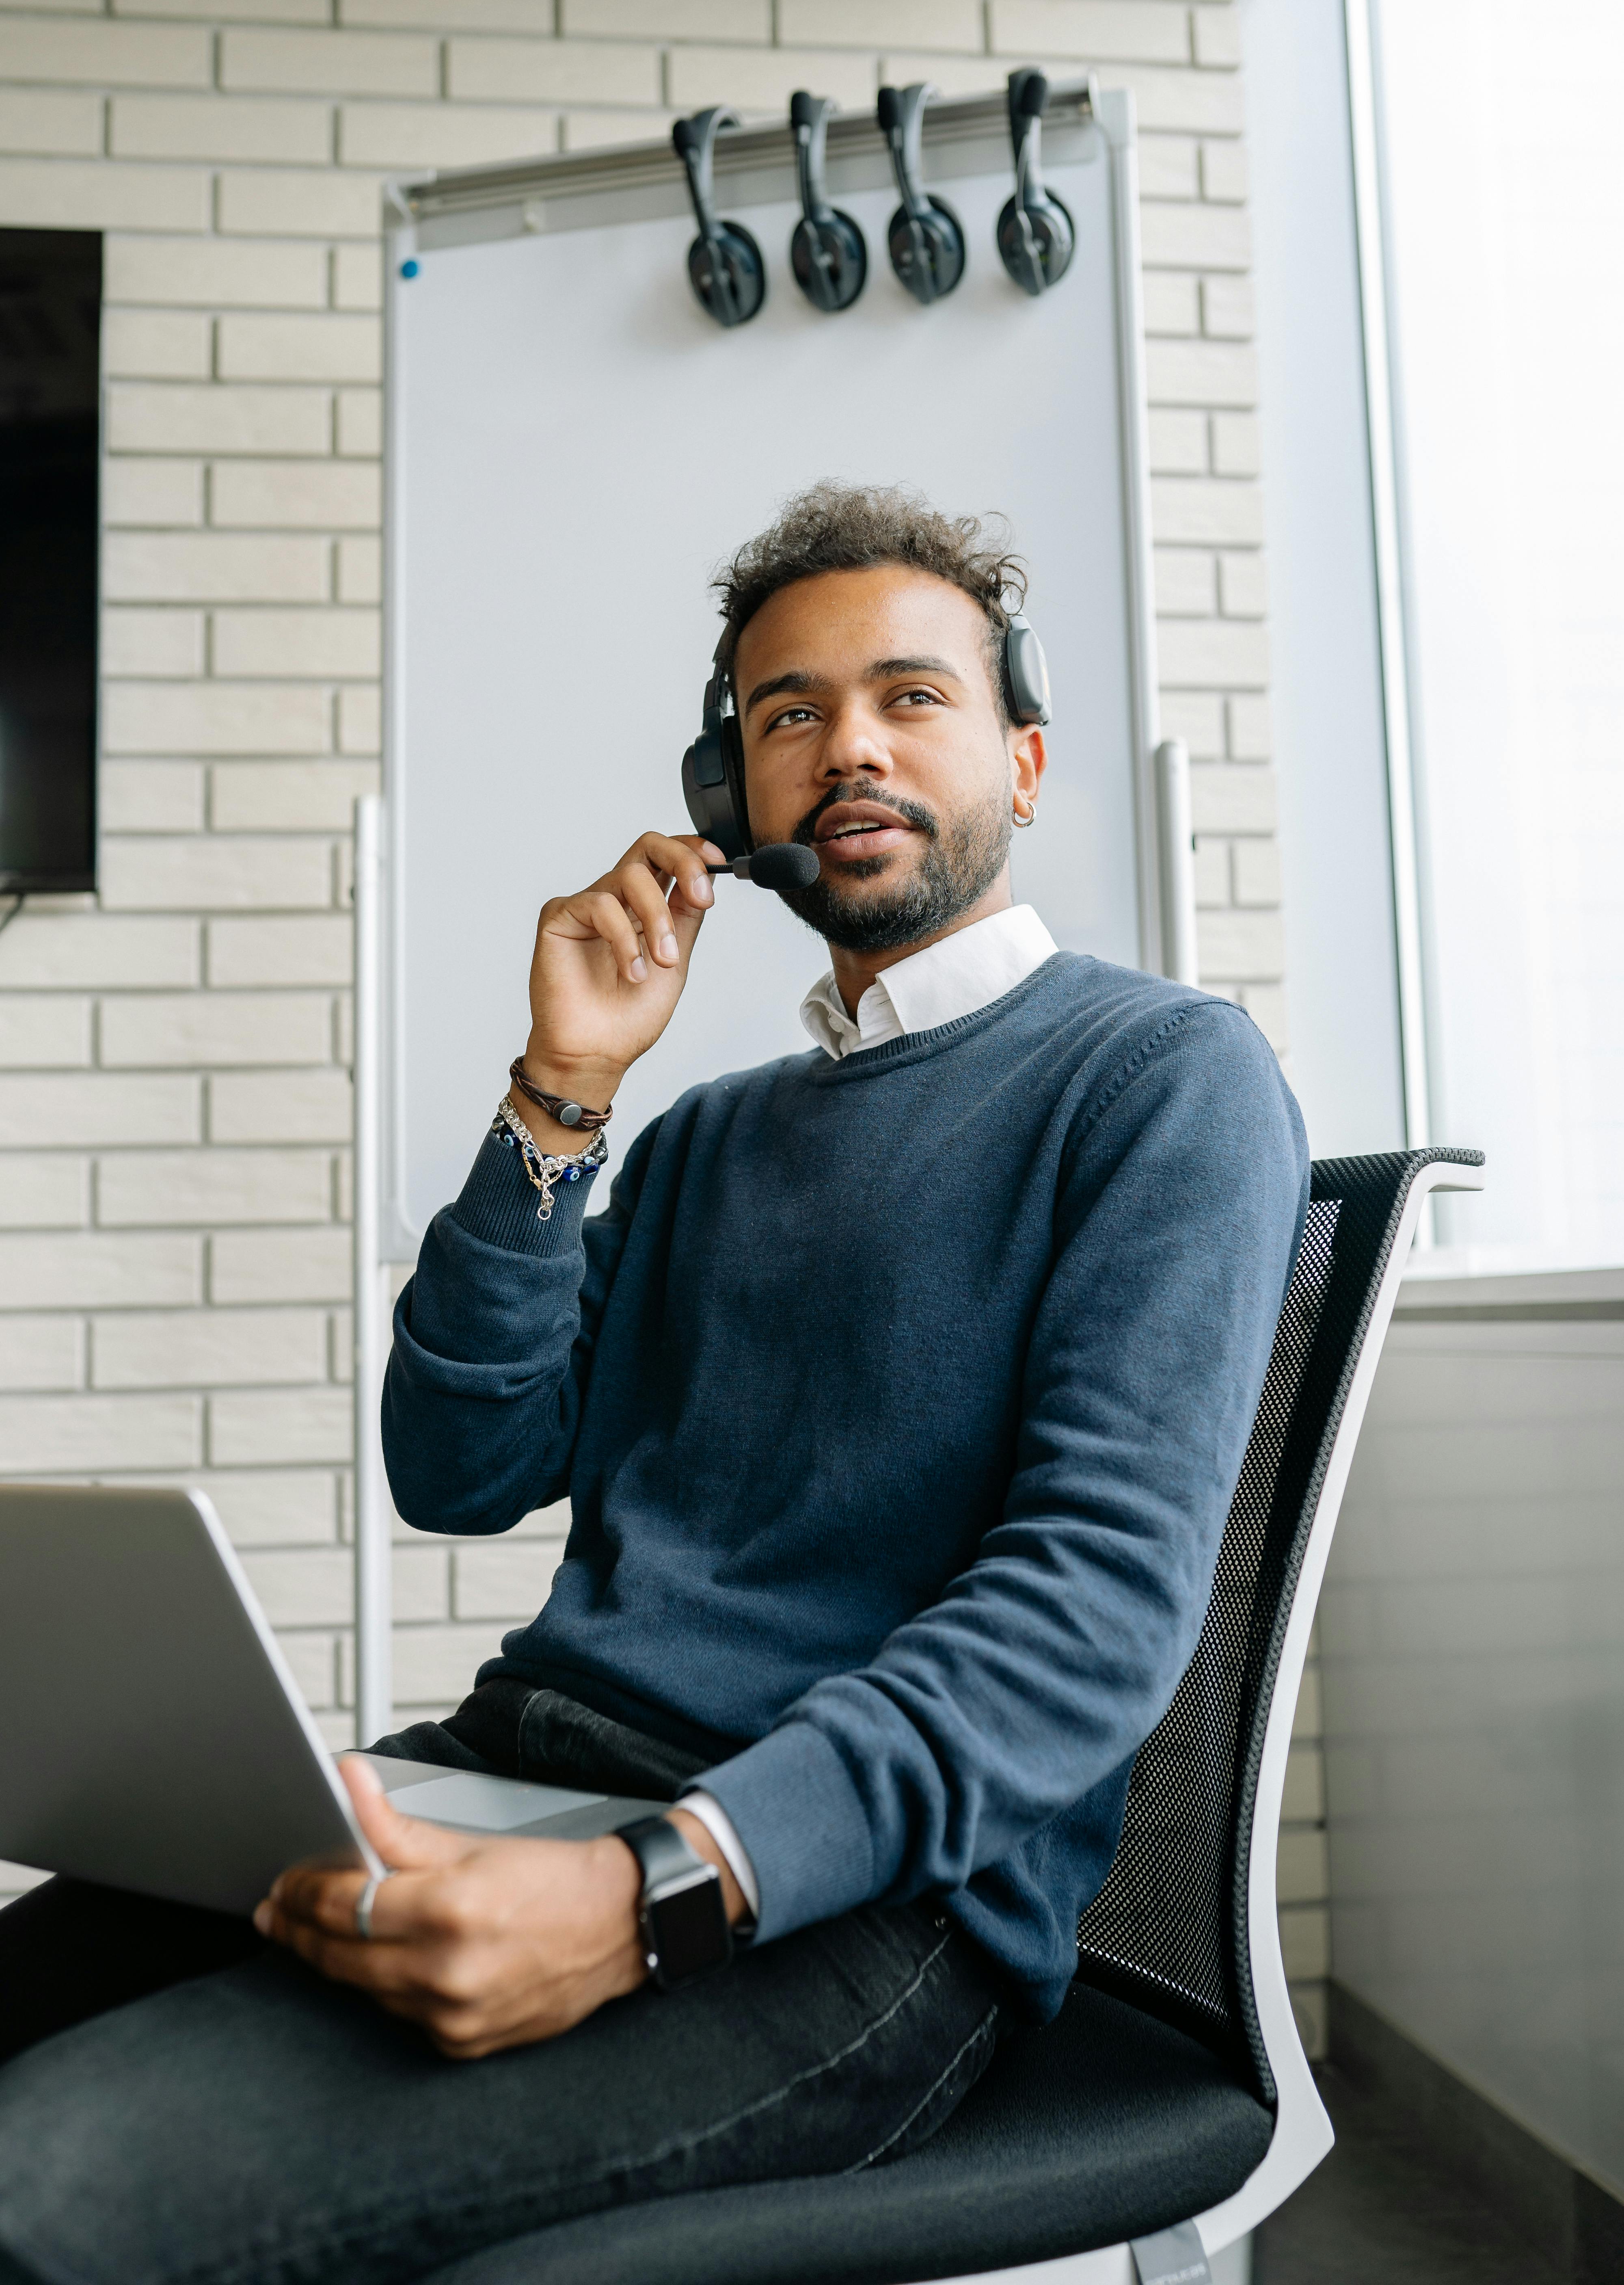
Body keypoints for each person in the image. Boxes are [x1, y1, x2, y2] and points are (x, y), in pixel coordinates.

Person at [0, 484, 1308, 2285]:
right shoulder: (698, 1140)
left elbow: (1091, 1611)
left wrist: (652, 1891)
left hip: (853, 1906)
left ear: (1020, 758)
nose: (845, 743)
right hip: (524, 1777)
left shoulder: (1162, 1077)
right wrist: (561, 1088)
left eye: (908, 697)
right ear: (731, 797)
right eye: (788, 714)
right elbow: (457, 1464)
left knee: (48, 2191)